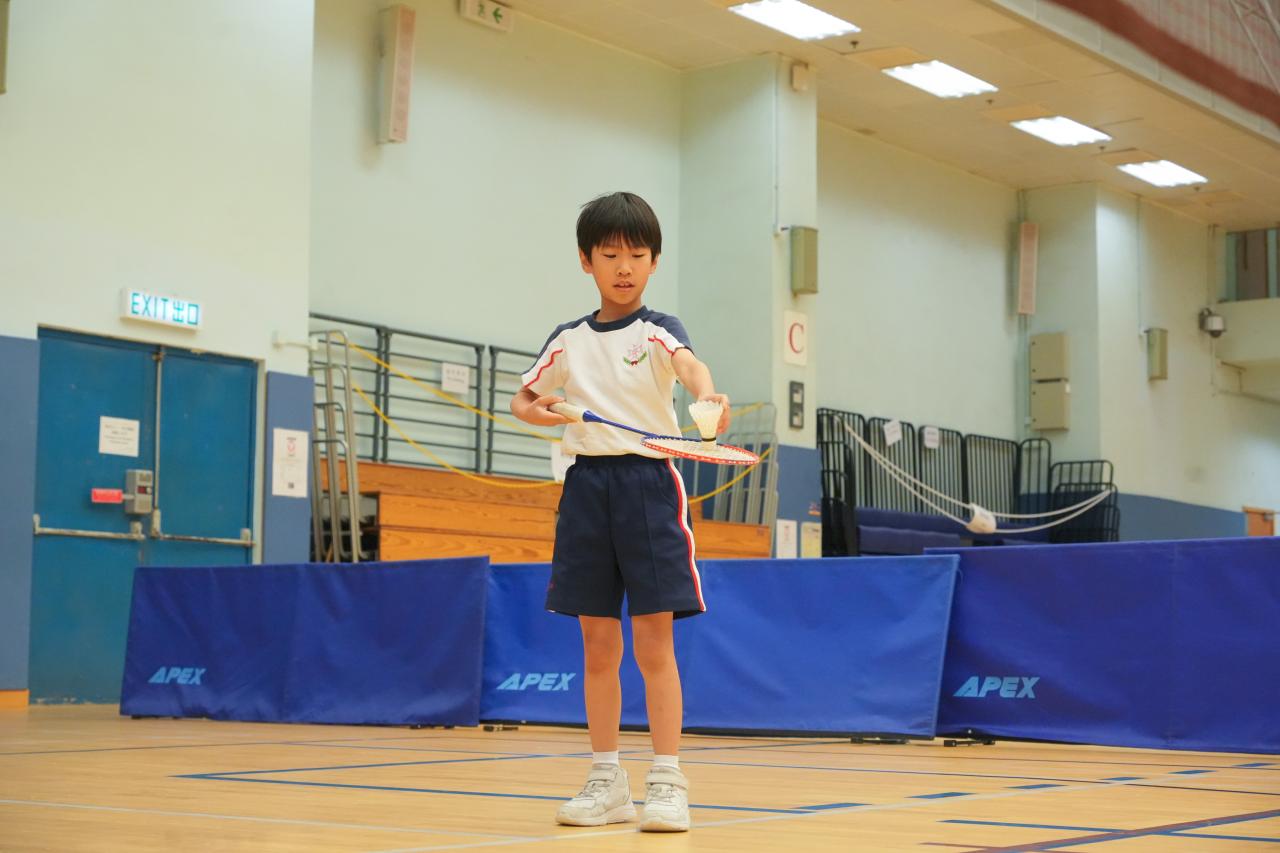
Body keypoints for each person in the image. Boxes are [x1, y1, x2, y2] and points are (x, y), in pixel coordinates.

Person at [511, 191, 730, 833]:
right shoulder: (568, 340)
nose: (625, 266)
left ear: (654, 261)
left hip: (648, 486)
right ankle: (607, 779)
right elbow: (524, 398)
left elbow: (691, 368)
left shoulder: (657, 330)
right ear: (587, 261)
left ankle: (668, 779)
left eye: (637, 254)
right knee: (598, 643)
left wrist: (708, 397)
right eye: (610, 255)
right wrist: (539, 413)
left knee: (654, 642)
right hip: (586, 490)